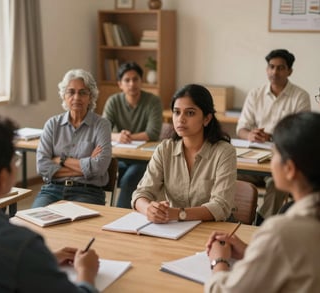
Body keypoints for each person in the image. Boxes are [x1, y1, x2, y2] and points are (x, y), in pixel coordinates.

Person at [0, 115, 99, 292]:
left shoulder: (21, 252)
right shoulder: (20, 246)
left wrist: (39, 262)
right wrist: (86, 271)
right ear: (2, 178)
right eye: (14, 160)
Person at [205, 112, 320, 292]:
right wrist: (255, 252)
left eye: (273, 154)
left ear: (289, 169)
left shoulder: (282, 230)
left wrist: (219, 261)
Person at [131, 84, 236, 223]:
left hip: (213, 230)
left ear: (207, 118)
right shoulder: (165, 149)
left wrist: (177, 214)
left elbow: (220, 206)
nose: (181, 119)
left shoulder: (224, 152)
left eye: (190, 113)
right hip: (174, 228)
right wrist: (149, 209)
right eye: (176, 112)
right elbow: (141, 194)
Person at [236, 49, 311, 225]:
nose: (274, 72)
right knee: (229, 175)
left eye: (280, 68)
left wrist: (272, 136)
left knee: (277, 184)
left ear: (289, 71)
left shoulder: (300, 96)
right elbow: (241, 128)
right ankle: (235, 221)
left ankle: (262, 224)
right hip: (253, 157)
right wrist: (251, 134)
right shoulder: (255, 94)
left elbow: (300, 135)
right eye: (271, 67)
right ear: (266, 69)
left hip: (281, 158)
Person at [32, 69, 112, 207]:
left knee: (74, 227)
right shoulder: (52, 124)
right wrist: (86, 167)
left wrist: (61, 160)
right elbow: (42, 166)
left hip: (87, 192)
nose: (76, 97)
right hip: (52, 190)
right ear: (64, 95)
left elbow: (99, 167)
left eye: (82, 92)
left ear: (91, 97)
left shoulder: (101, 125)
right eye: (71, 92)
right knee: (31, 223)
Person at [102, 62, 163, 208]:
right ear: (120, 84)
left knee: (130, 178)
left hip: (143, 159)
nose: (132, 84)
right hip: (119, 156)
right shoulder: (113, 101)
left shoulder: (153, 101)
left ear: (141, 81)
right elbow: (103, 129)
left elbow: (153, 133)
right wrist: (117, 137)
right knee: (100, 173)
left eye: (135, 79)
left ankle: (120, 215)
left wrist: (128, 137)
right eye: (127, 80)